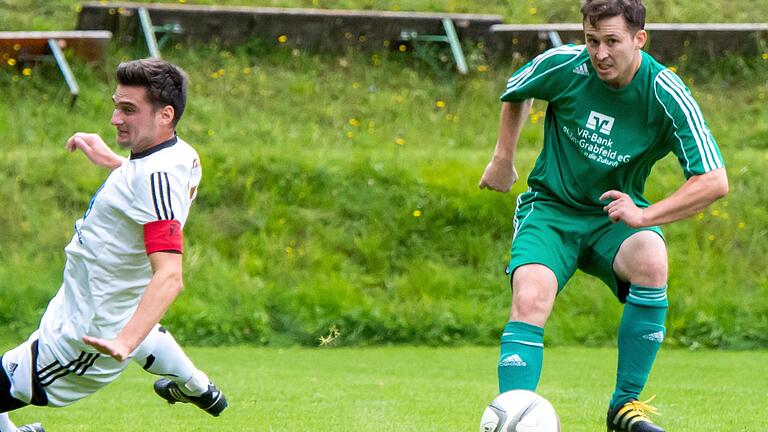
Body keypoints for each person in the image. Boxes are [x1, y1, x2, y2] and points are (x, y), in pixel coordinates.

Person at [478, 0, 728, 431]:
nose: (600, 54)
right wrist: (503, 158)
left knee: (651, 257)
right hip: (551, 211)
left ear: (639, 39)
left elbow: (713, 181)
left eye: (612, 41)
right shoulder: (564, 66)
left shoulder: (664, 92)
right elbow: (515, 90)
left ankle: (624, 408)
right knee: (530, 297)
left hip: (613, 217)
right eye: (592, 40)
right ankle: (512, 416)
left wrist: (647, 216)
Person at [0, 59, 227, 432]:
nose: (115, 119)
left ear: (165, 115)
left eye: (128, 110)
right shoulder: (179, 154)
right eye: (116, 105)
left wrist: (123, 342)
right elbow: (149, 189)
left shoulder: (155, 176)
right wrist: (115, 163)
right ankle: (199, 387)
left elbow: (169, 276)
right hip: (82, 307)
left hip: (81, 342)